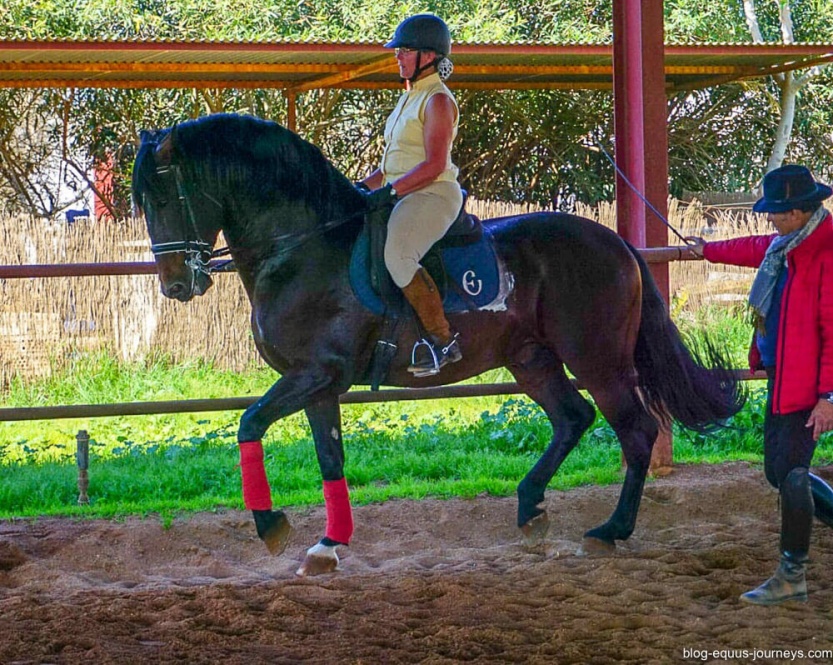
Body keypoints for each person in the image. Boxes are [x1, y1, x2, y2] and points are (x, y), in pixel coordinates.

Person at [687, 164, 833, 605]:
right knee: (779, 471)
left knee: (790, 473)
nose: (770, 218)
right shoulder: (789, 245)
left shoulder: (827, 253)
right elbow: (756, 248)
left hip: (808, 388)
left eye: (777, 212)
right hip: (785, 379)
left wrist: (828, 397)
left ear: (801, 210)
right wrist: (707, 250)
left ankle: (792, 576)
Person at [358, 14, 463, 378]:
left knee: (398, 255)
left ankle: (443, 341)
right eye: (399, 51)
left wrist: (390, 191)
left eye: (404, 51)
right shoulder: (408, 98)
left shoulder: (437, 100)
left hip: (433, 194)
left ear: (428, 56)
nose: (397, 57)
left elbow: (434, 165)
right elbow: (390, 167)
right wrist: (358, 189)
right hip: (403, 191)